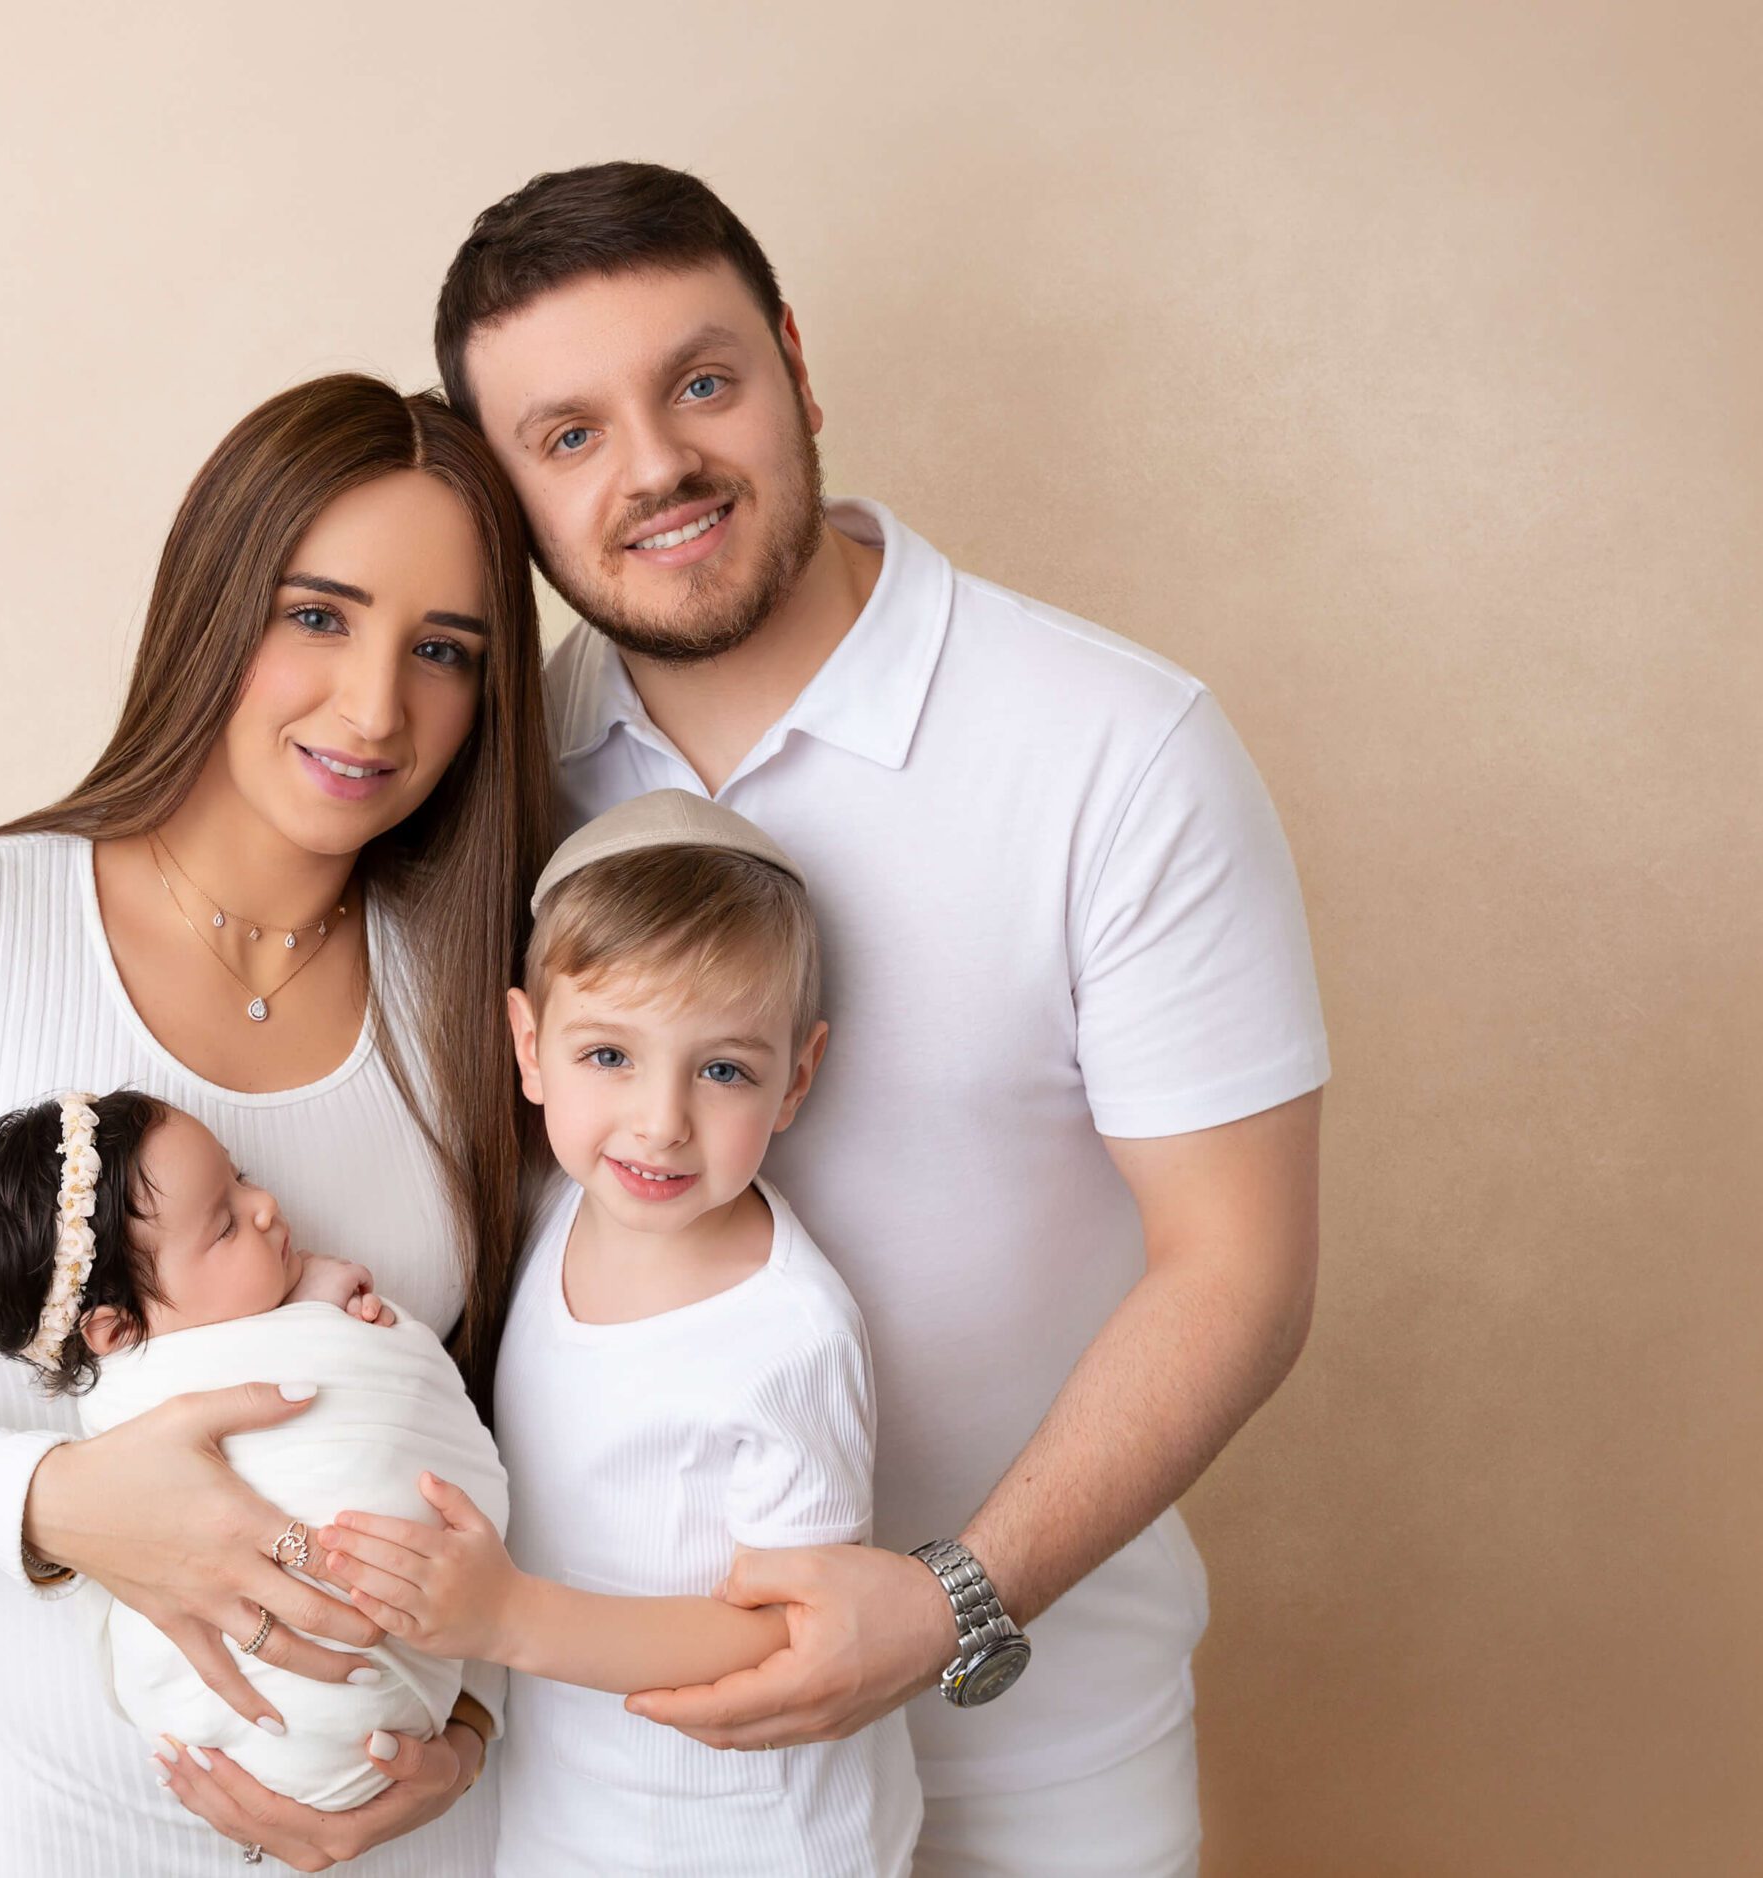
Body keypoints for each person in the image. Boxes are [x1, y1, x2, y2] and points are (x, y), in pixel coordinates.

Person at [432, 163, 1330, 1875]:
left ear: (794, 366)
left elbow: (1242, 1267)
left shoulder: (1115, 751)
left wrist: (952, 1599)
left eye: (702, 381)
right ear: (512, 500)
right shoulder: (500, 787)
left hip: (1033, 1738)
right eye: (567, 436)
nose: (656, 466)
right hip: (611, 1772)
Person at [0, 372, 557, 1875]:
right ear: (212, 604)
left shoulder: (481, 998)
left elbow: (515, 1434)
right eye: (319, 615)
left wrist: (473, 1732)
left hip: (412, 1841)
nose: (378, 708)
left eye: (442, 651)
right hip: (53, 1830)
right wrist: (42, 1498)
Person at [313, 790, 923, 1875]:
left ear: (798, 1076)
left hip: (751, 1835)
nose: (659, 1120)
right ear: (529, 1045)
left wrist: (510, 1620)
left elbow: (797, 1641)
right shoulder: (550, 1210)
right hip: (575, 1812)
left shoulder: (786, 1336)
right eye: (609, 1057)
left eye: (723, 1069)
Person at [0, 1088, 508, 1813]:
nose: (265, 1204)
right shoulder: (128, 1416)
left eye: (240, 1178)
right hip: (80, 1787)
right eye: (225, 1225)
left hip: (421, 1744)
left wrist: (320, 1306)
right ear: (117, 1334)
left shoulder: (256, 1318)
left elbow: (380, 1440)